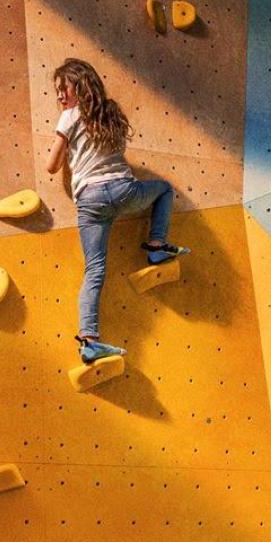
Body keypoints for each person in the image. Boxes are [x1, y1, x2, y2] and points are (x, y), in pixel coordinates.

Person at [44, 57, 187, 364]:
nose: (59, 96)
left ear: (79, 86)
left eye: (62, 89)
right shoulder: (111, 112)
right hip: (123, 192)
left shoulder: (68, 116)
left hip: (90, 201)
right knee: (163, 189)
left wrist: (69, 145)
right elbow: (115, 150)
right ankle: (157, 245)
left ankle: (90, 341)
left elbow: (51, 165)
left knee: (94, 271)